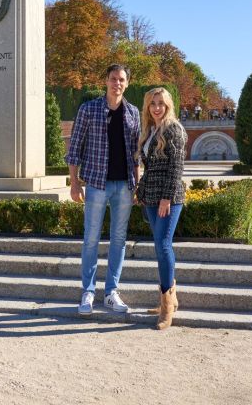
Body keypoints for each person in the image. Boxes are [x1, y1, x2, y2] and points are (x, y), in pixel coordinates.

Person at [66, 64, 141, 314]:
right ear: (105, 82)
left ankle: (111, 292)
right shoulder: (88, 109)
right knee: (91, 239)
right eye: (112, 79)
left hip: (124, 185)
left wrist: (137, 183)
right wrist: (75, 183)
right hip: (97, 183)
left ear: (127, 83)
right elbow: (75, 147)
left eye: (121, 79)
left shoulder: (133, 112)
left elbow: (136, 153)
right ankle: (88, 291)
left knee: (119, 240)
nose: (116, 83)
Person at [135, 87, 187, 330]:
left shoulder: (174, 129)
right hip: (150, 196)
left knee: (163, 245)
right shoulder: (150, 129)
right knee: (158, 246)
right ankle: (170, 297)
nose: (157, 108)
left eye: (161, 104)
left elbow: (176, 168)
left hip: (169, 197)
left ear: (168, 106)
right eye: (153, 103)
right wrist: (141, 193)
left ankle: (167, 305)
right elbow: (148, 167)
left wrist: (166, 198)